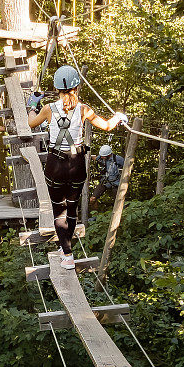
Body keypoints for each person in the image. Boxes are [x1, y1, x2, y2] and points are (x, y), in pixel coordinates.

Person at [27, 66, 127, 269]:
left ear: (57, 88)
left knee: (59, 212)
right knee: (71, 209)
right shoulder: (84, 109)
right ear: (77, 86)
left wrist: (32, 105)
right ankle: (66, 250)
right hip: (77, 164)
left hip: (55, 165)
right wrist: (118, 117)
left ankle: (67, 254)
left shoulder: (48, 109)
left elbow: (31, 123)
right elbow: (107, 125)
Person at [89, 144, 125, 210]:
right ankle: (95, 214)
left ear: (109, 155)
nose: (102, 157)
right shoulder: (101, 157)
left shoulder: (118, 159)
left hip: (116, 184)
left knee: (119, 203)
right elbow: (94, 157)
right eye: (101, 156)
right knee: (92, 199)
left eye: (103, 156)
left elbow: (128, 166)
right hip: (105, 182)